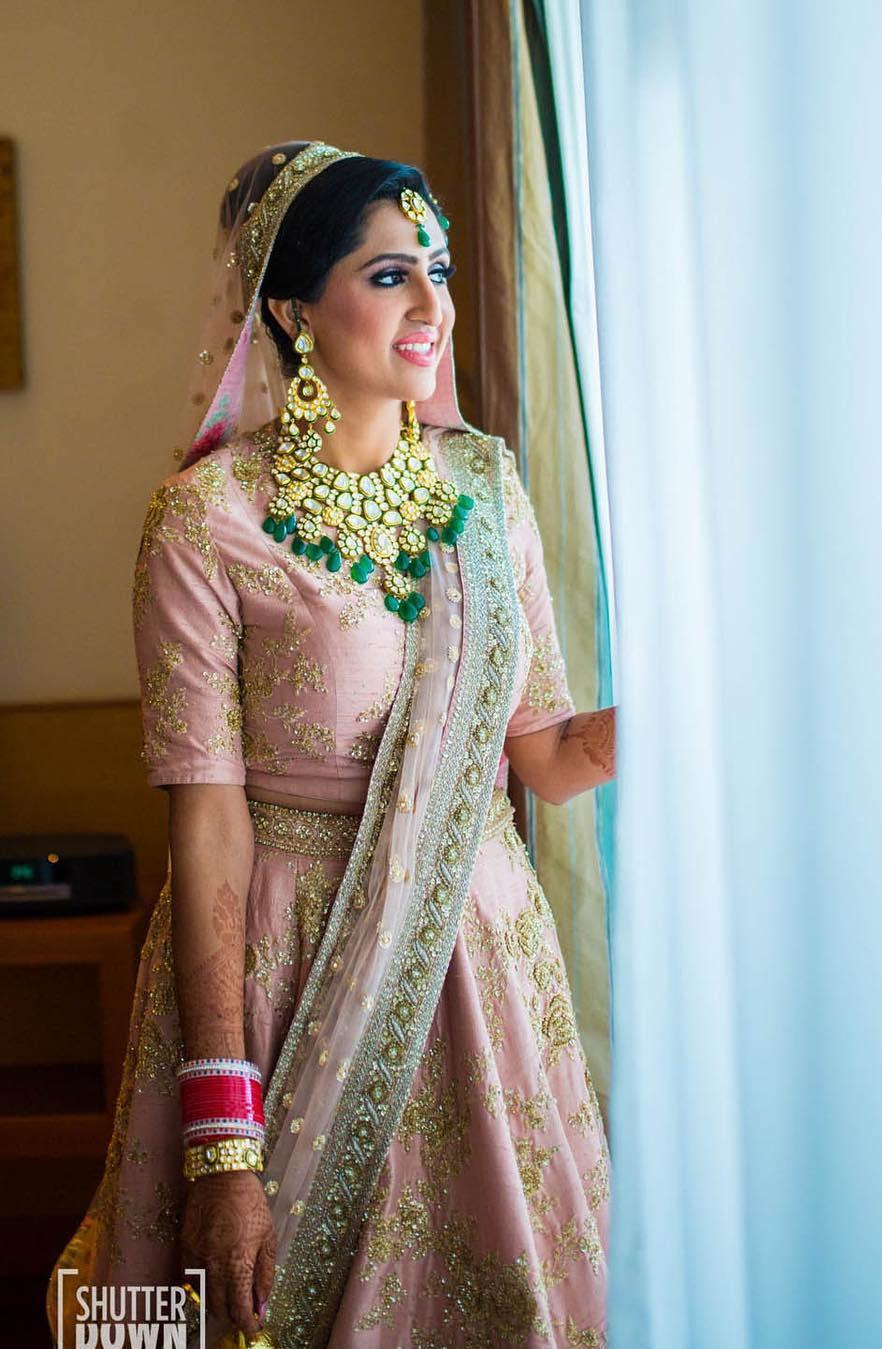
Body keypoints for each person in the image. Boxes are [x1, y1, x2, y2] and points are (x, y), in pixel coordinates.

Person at [45, 140, 616, 1348]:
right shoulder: (209, 518)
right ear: (297, 309)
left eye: (441, 270)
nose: (433, 307)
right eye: (392, 274)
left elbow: (547, 756)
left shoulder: (486, 489)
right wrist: (223, 1135)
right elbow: (206, 827)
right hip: (286, 959)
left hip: (483, 965)